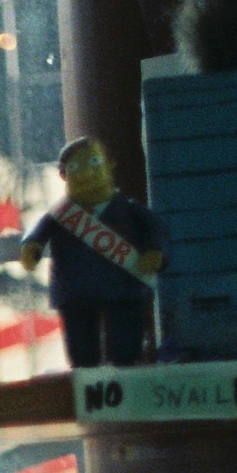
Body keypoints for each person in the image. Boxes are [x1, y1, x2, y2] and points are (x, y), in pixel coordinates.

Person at [21, 136, 166, 367]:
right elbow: (38, 234)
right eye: (75, 167)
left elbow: (155, 231)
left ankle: (125, 371)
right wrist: (31, 247)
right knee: (82, 354)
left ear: (110, 165)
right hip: (75, 290)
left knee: (127, 349)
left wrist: (154, 252)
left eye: (94, 162)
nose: (86, 173)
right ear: (63, 174)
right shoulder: (61, 216)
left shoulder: (129, 210)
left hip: (123, 286)